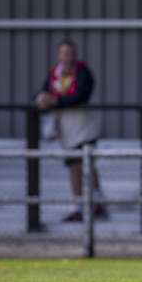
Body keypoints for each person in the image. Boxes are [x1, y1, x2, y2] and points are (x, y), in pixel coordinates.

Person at [34, 39, 107, 222]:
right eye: (63, 53)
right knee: (73, 167)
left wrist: (56, 102)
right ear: (59, 55)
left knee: (86, 164)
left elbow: (81, 95)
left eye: (70, 52)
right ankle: (78, 206)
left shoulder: (82, 71)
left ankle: (97, 202)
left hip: (84, 126)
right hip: (66, 129)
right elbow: (43, 92)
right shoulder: (54, 74)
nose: (67, 56)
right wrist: (41, 99)